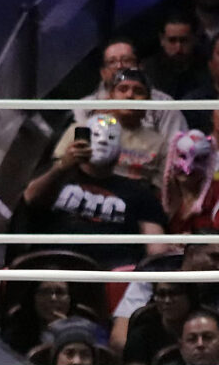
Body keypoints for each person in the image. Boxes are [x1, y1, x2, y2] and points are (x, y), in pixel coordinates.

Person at [17, 113, 169, 268]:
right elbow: (30, 198)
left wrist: (139, 271)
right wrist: (62, 167)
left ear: (120, 149)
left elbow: (157, 248)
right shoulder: (56, 178)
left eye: (110, 137)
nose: (102, 141)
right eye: (95, 135)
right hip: (51, 266)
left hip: (113, 272)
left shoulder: (139, 192)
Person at [59, 69, 169, 193]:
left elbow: (160, 193)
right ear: (111, 96)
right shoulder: (82, 129)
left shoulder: (160, 145)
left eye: (138, 91)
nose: (129, 95)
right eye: (122, 89)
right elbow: (57, 172)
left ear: (148, 102)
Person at [73, 38, 187, 141]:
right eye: (112, 62)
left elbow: (176, 148)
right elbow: (78, 145)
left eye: (127, 60)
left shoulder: (164, 105)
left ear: (140, 67)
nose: (119, 66)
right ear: (103, 72)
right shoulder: (84, 107)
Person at [123, 282, 197, 365]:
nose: (167, 300)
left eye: (174, 293)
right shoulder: (140, 337)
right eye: (161, 294)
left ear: (189, 297)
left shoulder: (204, 331)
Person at [141, 12, 210, 100]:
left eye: (184, 40)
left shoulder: (208, 67)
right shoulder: (149, 69)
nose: (178, 47)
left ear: (194, 39)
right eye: (172, 40)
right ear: (162, 39)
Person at [161, 129, 219, 233]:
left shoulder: (215, 194)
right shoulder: (163, 197)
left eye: (197, 159)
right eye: (182, 156)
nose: (188, 167)